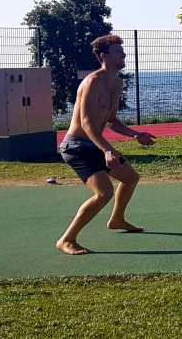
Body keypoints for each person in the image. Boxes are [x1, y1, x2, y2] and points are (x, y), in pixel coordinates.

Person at [56, 35, 156, 255]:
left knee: (131, 178)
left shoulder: (117, 83)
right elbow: (86, 122)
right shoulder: (92, 82)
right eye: (118, 52)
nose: (123, 55)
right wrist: (107, 149)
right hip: (76, 147)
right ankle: (67, 240)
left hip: (95, 144)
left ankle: (117, 219)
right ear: (104, 56)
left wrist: (136, 134)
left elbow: (111, 120)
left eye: (123, 51)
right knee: (103, 192)